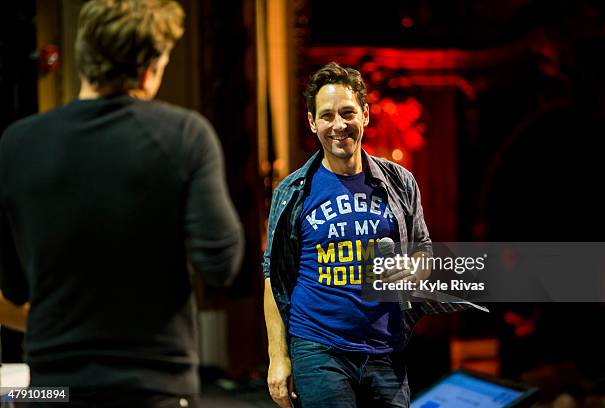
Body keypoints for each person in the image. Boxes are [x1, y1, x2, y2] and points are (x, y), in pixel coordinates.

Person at [0, 0, 244, 406]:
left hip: (54, 389)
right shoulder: (185, 136)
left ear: (83, 56)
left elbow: (13, 283)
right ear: (149, 71)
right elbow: (221, 264)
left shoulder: (16, 145)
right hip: (155, 386)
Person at [263, 62, 469, 408]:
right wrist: (278, 357)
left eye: (347, 113)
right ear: (312, 121)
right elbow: (274, 275)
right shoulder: (293, 191)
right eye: (326, 116)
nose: (338, 125)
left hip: (386, 349)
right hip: (319, 348)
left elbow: (425, 253)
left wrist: (414, 270)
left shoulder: (400, 182)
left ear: (365, 115)